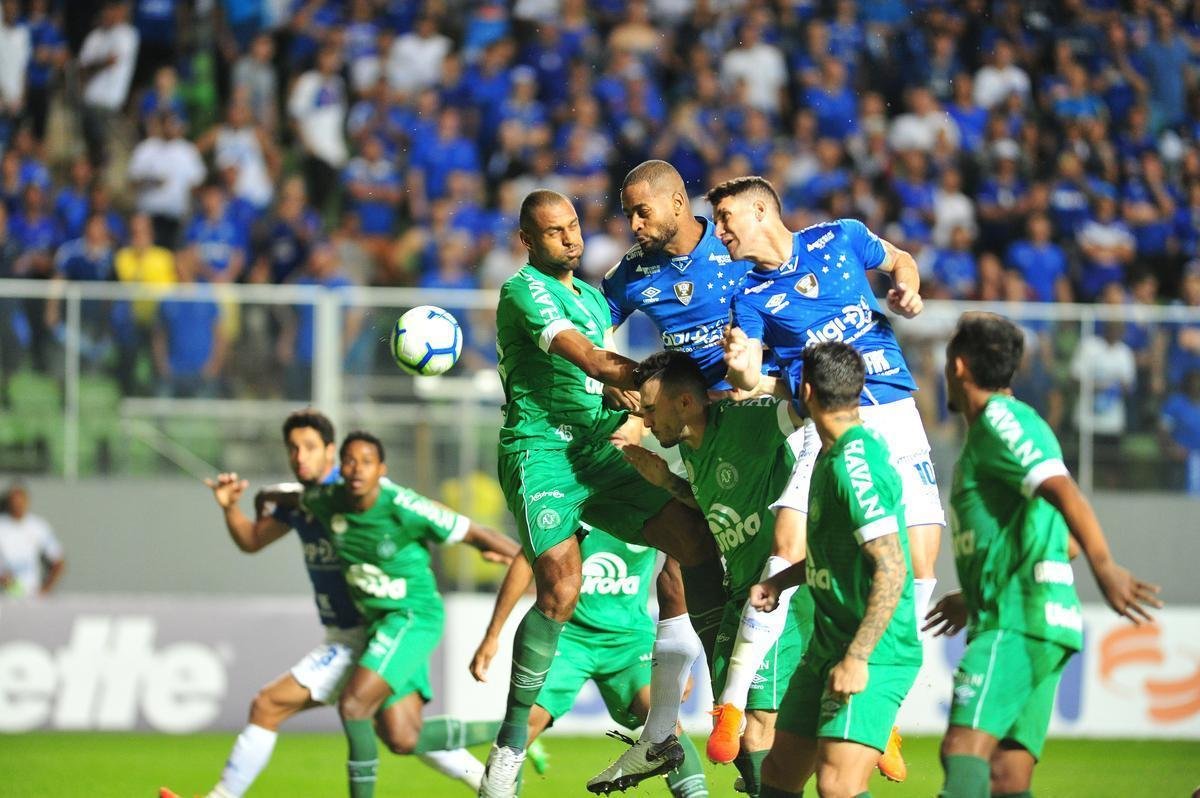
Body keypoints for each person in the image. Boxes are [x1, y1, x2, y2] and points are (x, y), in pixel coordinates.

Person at [482, 189, 724, 798]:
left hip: (598, 450)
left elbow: (601, 377)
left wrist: (625, 397)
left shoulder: (593, 298)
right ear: (527, 241)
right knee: (562, 589)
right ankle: (509, 748)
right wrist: (657, 383)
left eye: (573, 226)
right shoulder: (523, 291)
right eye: (554, 231)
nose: (571, 238)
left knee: (694, 541)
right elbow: (590, 359)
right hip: (542, 453)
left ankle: (678, 722)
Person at [602, 162, 837, 782]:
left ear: (679, 203)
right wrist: (622, 391)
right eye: (627, 214)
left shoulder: (737, 248)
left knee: (778, 548)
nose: (633, 224)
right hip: (692, 430)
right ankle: (701, 718)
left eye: (642, 211)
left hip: (761, 423)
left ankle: (808, 698)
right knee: (680, 569)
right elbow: (592, 329)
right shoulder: (631, 275)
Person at [930, 312, 1161, 798]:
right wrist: (975, 595)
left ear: (959, 366)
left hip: (1018, 619)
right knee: (1007, 776)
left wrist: (1105, 567)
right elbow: (1062, 538)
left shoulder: (1002, 420)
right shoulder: (1006, 429)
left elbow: (1065, 493)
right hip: (1038, 618)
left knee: (962, 748)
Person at [711, 175, 943, 644]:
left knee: (920, 565)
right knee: (786, 549)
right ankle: (737, 689)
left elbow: (901, 260)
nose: (718, 232)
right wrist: (739, 367)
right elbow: (748, 375)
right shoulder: (748, 297)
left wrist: (908, 290)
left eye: (725, 218)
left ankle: (890, 676)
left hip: (894, 407)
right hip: (825, 424)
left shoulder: (842, 237)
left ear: (760, 211)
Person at [623, 349, 811, 797]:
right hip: (741, 593)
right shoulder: (689, 451)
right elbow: (713, 506)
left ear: (685, 403)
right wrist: (667, 482)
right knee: (745, 730)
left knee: (757, 728)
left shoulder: (745, 422)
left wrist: (758, 379)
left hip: (780, 593)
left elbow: (810, 405)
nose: (646, 422)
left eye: (650, 410)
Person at [302, 431, 521, 798]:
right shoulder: (326, 500)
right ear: (341, 467)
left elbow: (476, 533)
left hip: (412, 617)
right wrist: (262, 498)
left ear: (382, 470)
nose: (357, 469)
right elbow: (293, 497)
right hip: (380, 624)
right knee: (402, 737)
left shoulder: (404, 505)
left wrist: (534, 564)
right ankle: (513, 736)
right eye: (350, 461)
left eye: (367, 462)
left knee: (354, 706)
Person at [749, 341, 922, 798]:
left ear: (805, 390)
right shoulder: (830, 455)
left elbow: (891, 568)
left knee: (838, 785)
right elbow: (838, 551)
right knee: (779, 773)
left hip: (874, 650)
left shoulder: (855, 465)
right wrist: (781, 580)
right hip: (826, 647)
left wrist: (858, 657)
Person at [470, 525, 709, 798]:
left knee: (664, 723)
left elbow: (679, 567)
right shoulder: (574, 507)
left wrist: (675, 663)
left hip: (630, 640)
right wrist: (492, 635)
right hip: (569, 636)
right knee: (525, 721)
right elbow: (526, 559)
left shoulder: (648, 508)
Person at [0, 483, 65, 597]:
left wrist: (45, 589)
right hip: (4, 596)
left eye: (21, 501)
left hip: (32, 596)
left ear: (27, 501)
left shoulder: (38, 526)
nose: (18, 505)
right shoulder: (2, 525)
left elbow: (58, 561)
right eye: (14, 501)